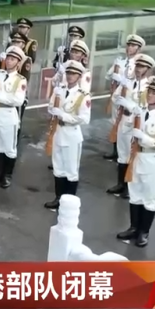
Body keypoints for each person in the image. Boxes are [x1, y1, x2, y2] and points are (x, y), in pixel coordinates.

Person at [117, 75, 155, 248]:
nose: (150, 95)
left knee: (149, 200)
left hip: (152, 161)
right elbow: (128, 131)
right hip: (136, 158)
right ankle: (134, 227)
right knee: (135, 196)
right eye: (150, 91)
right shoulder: (139, 113)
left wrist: (146, 139)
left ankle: (144, 232)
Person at [45, 60, 91, 209]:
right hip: (58, 131)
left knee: (71, 170)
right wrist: (54, 109)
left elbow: (84, 119)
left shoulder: (83, 96)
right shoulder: (60, 90)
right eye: (69, 73)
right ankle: (58, 198)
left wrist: (63, 115)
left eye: (74, 74)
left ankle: (69, 204)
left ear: (79, 77)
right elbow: (51, 107)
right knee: (58, 167)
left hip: (72, 134)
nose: (70, 76)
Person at [110, 53, 155, 199]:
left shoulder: (150, 88)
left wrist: (129, 104)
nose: (138, 69)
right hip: (124, 119)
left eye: (142, 67)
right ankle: (120, 184)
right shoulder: (127, 83)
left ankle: (130, 186)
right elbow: (115, 97)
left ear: (148, 69)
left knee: (132, 155)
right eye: (137, 66)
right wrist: (119, 102)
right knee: (122, 154)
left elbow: (146, 107)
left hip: (136, 122)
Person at [0, 45, 27, 189]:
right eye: (8, 58)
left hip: (9, 115)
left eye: (13, 59)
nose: (9, 61)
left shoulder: (20, 80)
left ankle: (7, 175)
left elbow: (18, 100)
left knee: (9, 148)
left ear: (18, 63)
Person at [104, 34, 146, 162]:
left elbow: (134, 79)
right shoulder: (120, 61)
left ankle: (126, 152)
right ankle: (116, 150)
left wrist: (121, 79)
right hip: (117, 97)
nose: (129, 48)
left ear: (138, 49)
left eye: (133, 46)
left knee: (126, 124)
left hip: (128, 98)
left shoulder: (138, 64)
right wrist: (114, 74)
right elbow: (108, 75)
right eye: (128, 45)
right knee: (115, 122)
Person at [13, 18, 37, 121]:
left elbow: (32, 59)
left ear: (28, 29)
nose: (21, 29)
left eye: (23, 27)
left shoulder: (31, 43)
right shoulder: (12, 40)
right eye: (20, 27)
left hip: (22, 72)